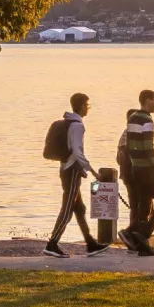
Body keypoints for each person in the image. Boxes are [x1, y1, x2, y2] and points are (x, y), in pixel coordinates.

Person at [42, 93, 107, 258]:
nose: (88, 108)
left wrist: (81, 169)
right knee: (68, 208)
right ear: (81, 106)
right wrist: (93, 172)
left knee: (80, 208)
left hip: (68, 169)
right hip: (71, 172)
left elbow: (71, 151)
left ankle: (90, 243)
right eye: (87, 105)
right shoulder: (77, 125)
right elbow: (77, 152)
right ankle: (52, 244)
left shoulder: (69, 122)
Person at [117, 89, 154, 256]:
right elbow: (149, 147)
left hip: (136, 168)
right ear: (147, 101)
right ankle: (142, 234)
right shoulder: (147, 120)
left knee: (144, 206)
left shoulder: (132, 119)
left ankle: (136, 240)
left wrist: (134, 164)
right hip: (148, 169)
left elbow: (130, 146)